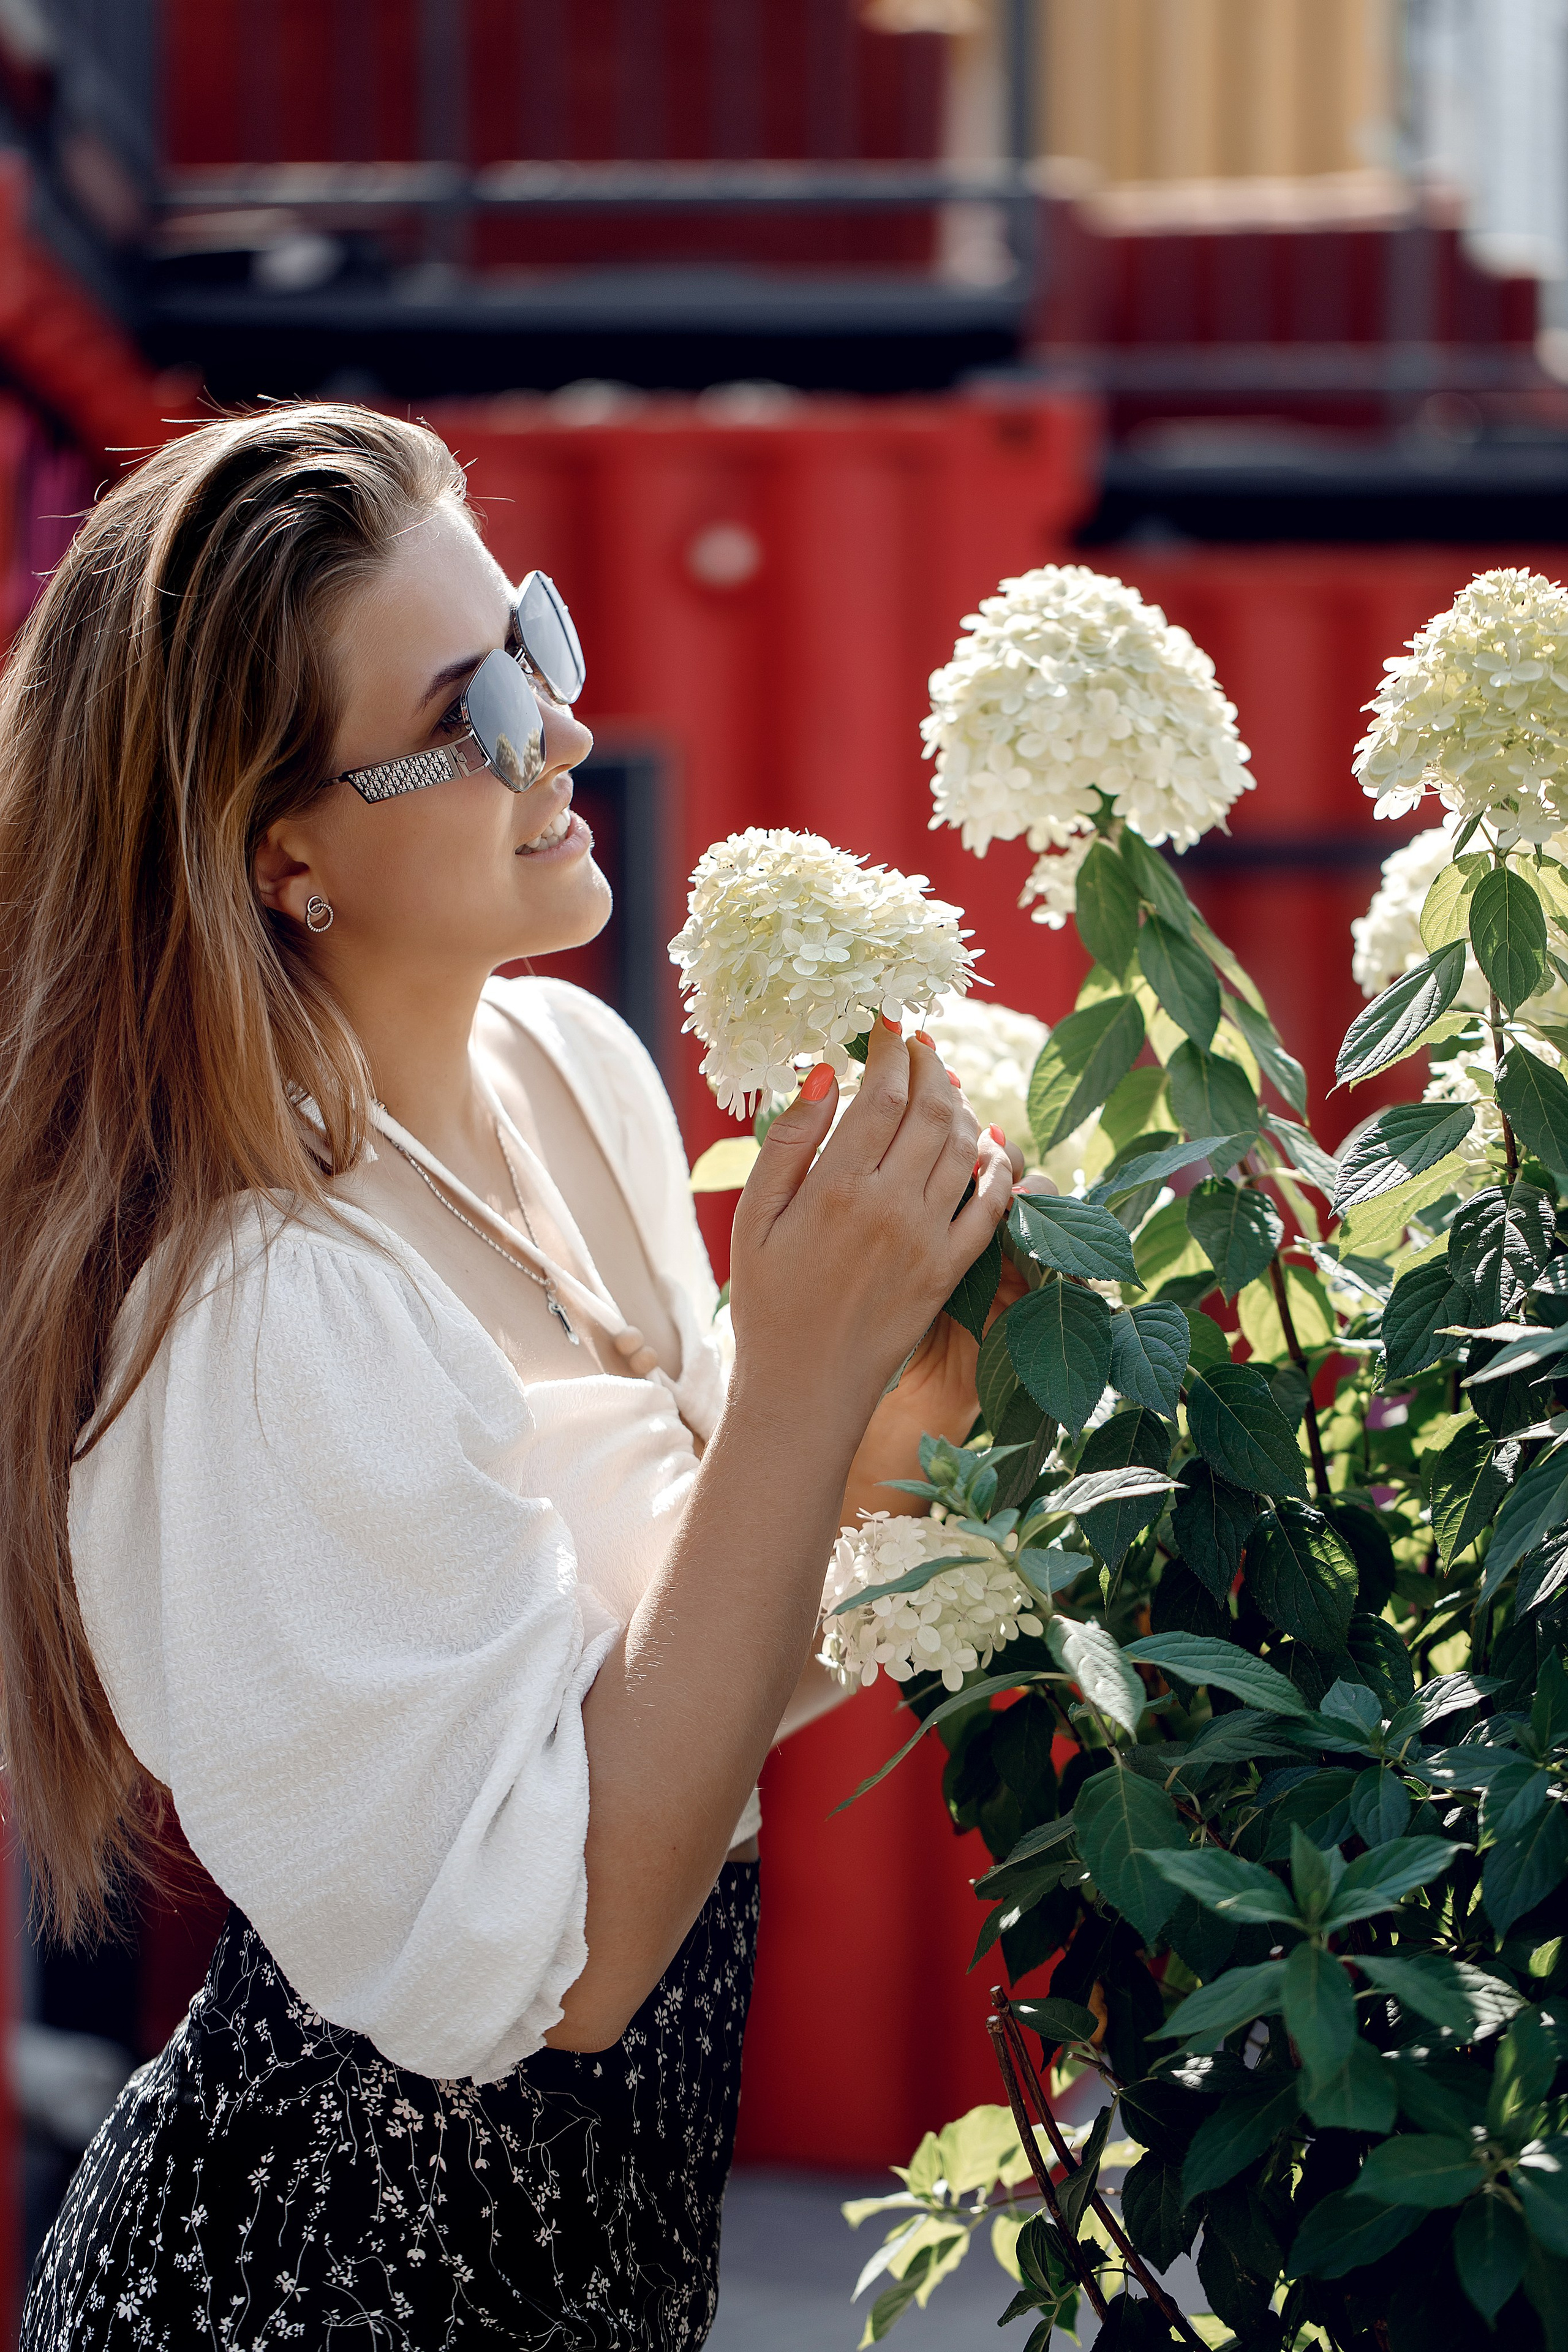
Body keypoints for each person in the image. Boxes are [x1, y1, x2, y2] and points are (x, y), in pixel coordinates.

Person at [1, 405, 1018, 2347]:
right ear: (283, 851)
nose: (555, 731)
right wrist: (802, 1372)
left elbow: (711, 1651)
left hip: (599, 2277)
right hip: (314, 2286)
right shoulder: (256, 1307)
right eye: (470, 710)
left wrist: (926, 1387)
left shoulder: (579, 1079)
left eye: (534, 640)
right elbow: (566, 1976)